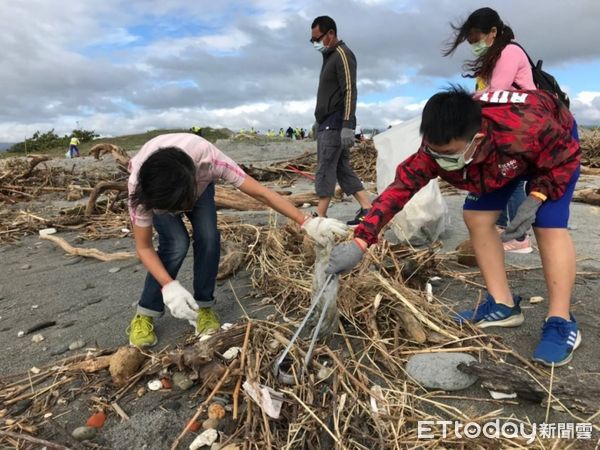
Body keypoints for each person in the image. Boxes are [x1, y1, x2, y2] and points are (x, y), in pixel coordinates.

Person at [326, 87, 581, 367]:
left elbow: (565, 158)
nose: (437, 160)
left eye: (446, 154)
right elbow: (397, 191)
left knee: (548, 224)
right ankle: (503, 305)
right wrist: (360, 241)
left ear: (476, 139)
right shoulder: (434, 150)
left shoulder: (527, 128)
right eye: (432, 151)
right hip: (494, 162)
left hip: (554, 150)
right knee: (476, 217)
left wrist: (537, 197)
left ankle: (561, 320)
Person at [127, 133, 348, 347]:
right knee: (175, 244)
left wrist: (307, 222)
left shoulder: (210, 161)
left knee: (209, 237)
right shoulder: (141, 190)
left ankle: (204, 307)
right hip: (160, 187)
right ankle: (146, 312)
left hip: (192, 177)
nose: (180, 212)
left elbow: (261, 193)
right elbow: (144, 247)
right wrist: (169, 286)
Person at [444, 7, 535, 253]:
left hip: (521, 122)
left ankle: (519, 237)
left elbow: (497, 92)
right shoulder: (495, 55)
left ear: (493, 31)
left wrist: (462, 104)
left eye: (476, 38)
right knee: (506, 177)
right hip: (509, 123)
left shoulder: (509, 51)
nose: (474, 44)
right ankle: (505, 229)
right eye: (471, 41)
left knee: (514, 179)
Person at [310, 16, 371, 224]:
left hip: (336, 122)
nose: (315, 43)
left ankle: (320, 214)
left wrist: (347, 125)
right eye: (312, 41)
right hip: (327, 121)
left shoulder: (342, 55)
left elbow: (349, 91)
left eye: (317, 39)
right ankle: (367, 208)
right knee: (341, 167)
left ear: (331, 34)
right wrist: (318, 119)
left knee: (325, 165)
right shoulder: (329, 56)